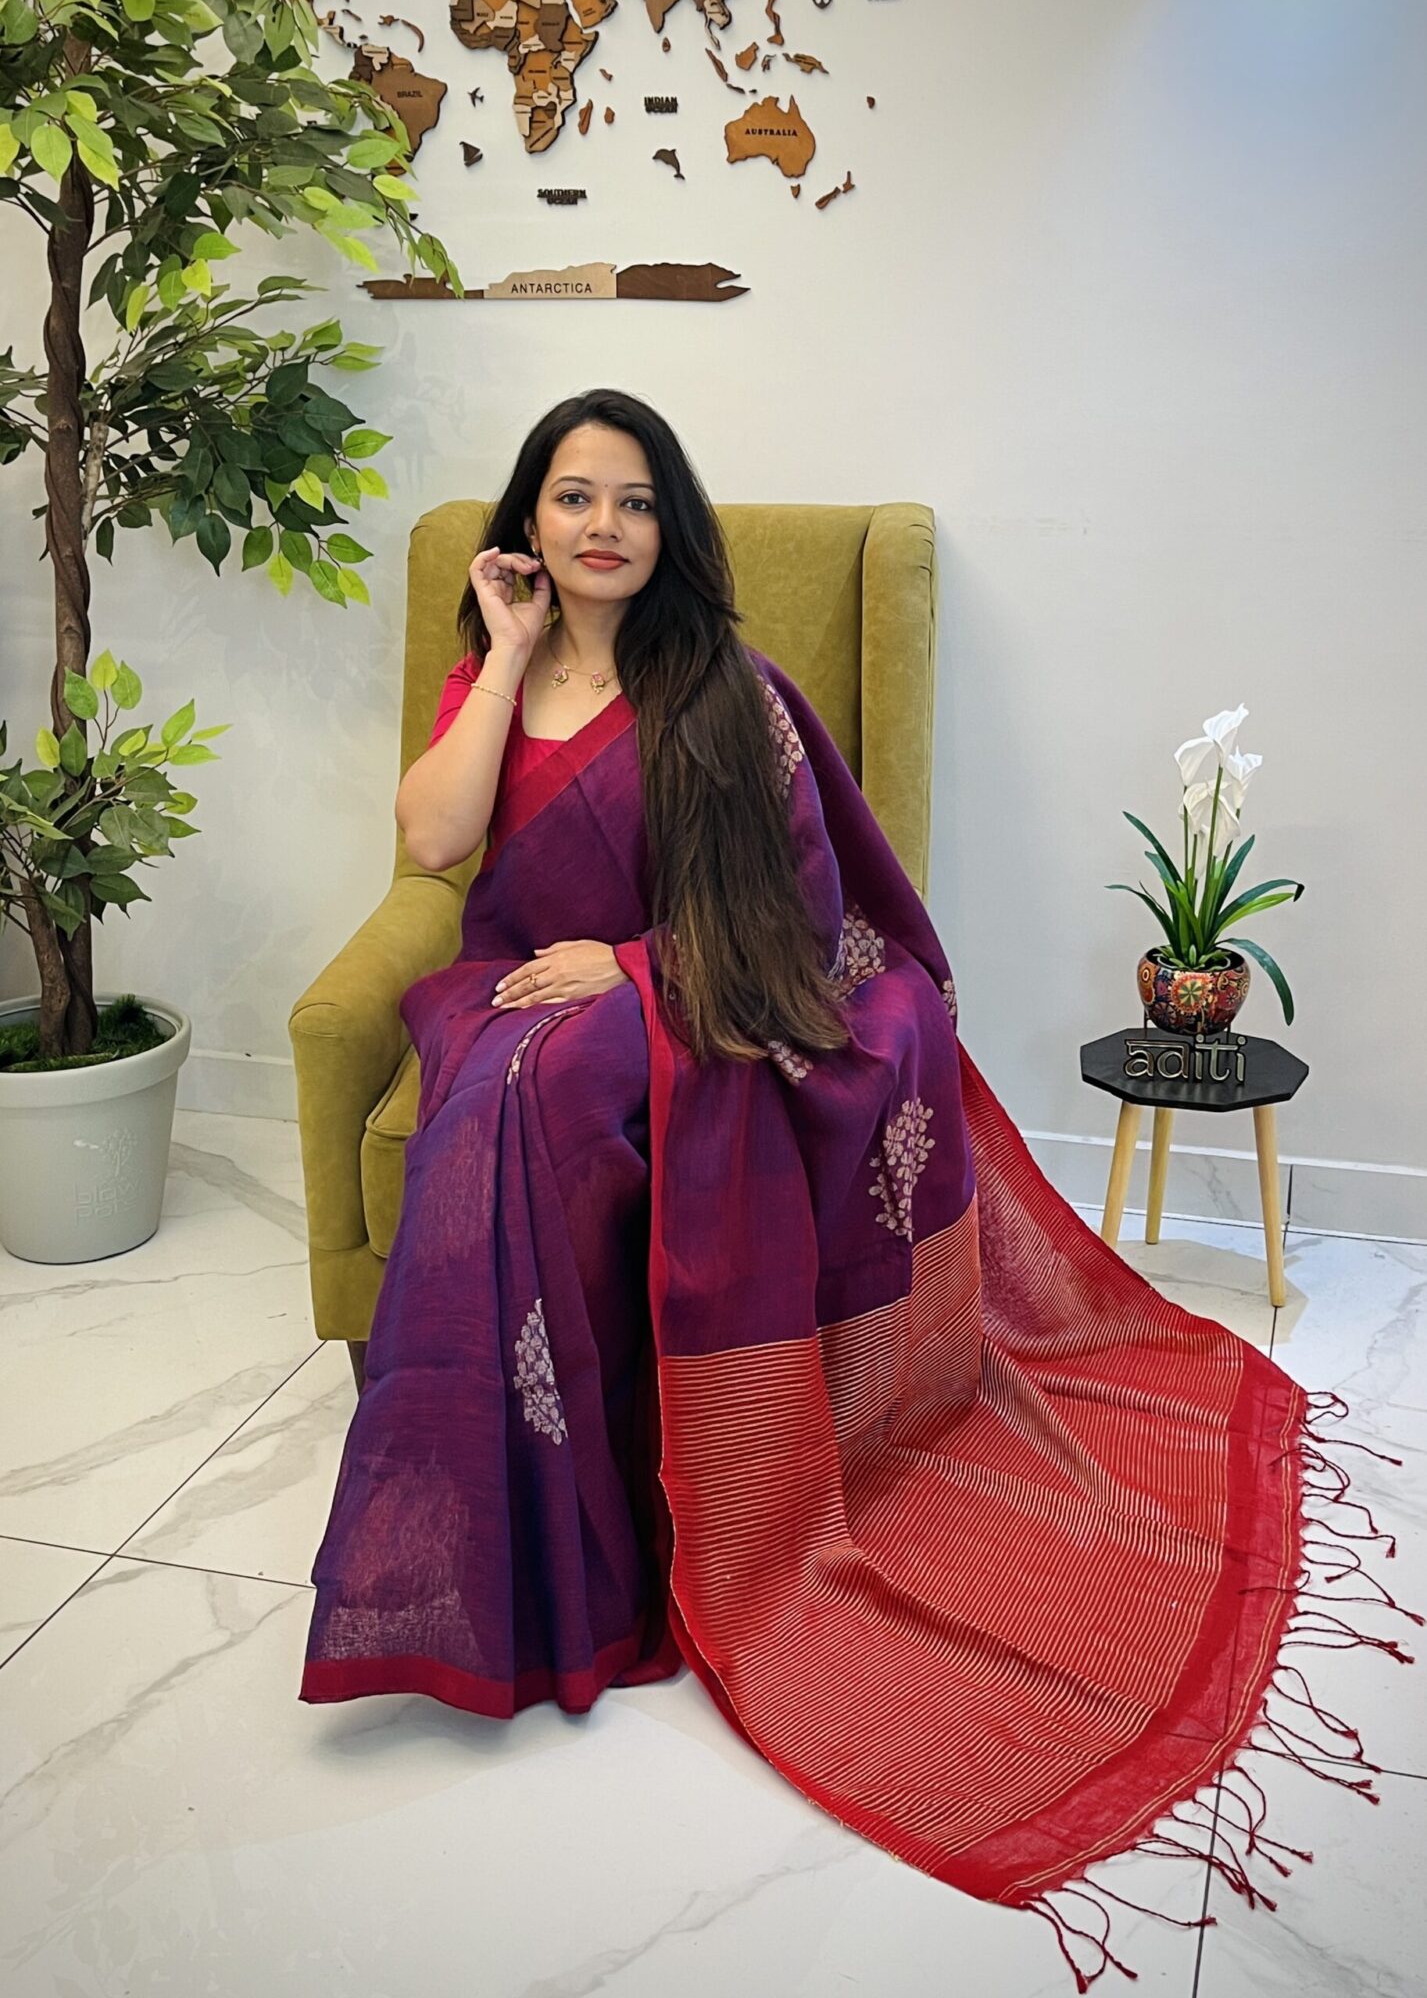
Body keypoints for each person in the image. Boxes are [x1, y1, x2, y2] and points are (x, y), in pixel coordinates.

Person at [300, 388, 1414, 1991]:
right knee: (495, 1103)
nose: (602, 526)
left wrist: (633, 970)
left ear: (672, 525)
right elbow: (432, 845)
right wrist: (505, 646)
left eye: (633, 500)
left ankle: (614, 1529)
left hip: (674, 986)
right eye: (572, 497)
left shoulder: (721, 687)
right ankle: (509, 1545)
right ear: (528, 521)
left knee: (560, 1095)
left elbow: (799, 904)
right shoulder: (500, 671)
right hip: (511, 987)